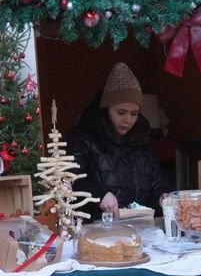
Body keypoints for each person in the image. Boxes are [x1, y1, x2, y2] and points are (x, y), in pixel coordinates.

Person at [68, 62, 165, 220]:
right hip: (96, 229)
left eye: (134, 113)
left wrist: (162, 197)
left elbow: (156, 181)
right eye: (121, 112)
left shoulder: (141, 138)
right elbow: (70, 183)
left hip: (141, 228)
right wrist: (99, 193)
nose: (128, 120)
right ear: (106, 108)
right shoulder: (82, 139)